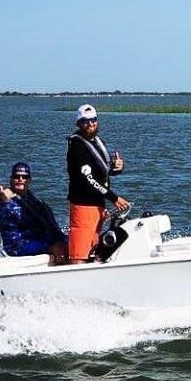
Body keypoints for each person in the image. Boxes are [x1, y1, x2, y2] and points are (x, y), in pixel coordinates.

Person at [66, 104, 130, 263]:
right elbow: (88, 179)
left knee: (94, 251)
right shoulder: (77, 146)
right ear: (78, 124)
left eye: (93, 120)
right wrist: (114, 198)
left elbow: (102, 172)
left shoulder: (97, 142)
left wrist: (118, 168)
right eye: (85, 121)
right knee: (79, 256)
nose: (90, 124)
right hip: (83, 206)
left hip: (98, 205)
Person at [0, 161, 68, 264]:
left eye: (24, 177)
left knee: (73, 241)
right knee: (58, 247)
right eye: (16, 176)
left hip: (38, 240)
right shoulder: (6, 199)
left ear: (29, 180)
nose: (20, 179)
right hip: (19, 245)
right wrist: (4, 201)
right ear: (11, 179)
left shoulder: (33, 199)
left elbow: (49, 223)